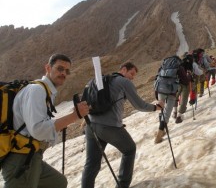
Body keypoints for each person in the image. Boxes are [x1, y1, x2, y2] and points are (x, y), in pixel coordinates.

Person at [1, 54, 90, 188]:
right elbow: (38, 130)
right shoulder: (37, 90)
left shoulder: (45, 91)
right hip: (22, 160)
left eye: (67, 71)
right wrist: (74, 116)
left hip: (30, 156)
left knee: (58, 183)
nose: (64, 73)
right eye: (60, 69)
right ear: (48, 68)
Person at [81, 62, 164, 188]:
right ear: (123, 69)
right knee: (130, 150)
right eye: (131, 74)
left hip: (91, 125)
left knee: (91, 163)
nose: (132, 78)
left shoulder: (101, 81)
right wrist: (156, 107)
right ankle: (122, 185)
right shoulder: (123, 82)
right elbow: (139, 105)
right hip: (110, 127)